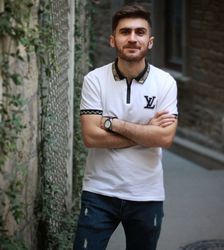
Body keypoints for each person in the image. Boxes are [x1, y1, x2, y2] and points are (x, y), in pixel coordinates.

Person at [74, 3, 178, 250]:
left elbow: (164, 138)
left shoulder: (165, 83)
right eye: (125, 32)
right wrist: (146, 132)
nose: (132, 38)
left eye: (140, 32)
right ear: (113, 40)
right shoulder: (95, 80)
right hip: (99, 191)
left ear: (150, 42)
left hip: (147, 194)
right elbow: (91, 137)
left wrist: (112, 123)